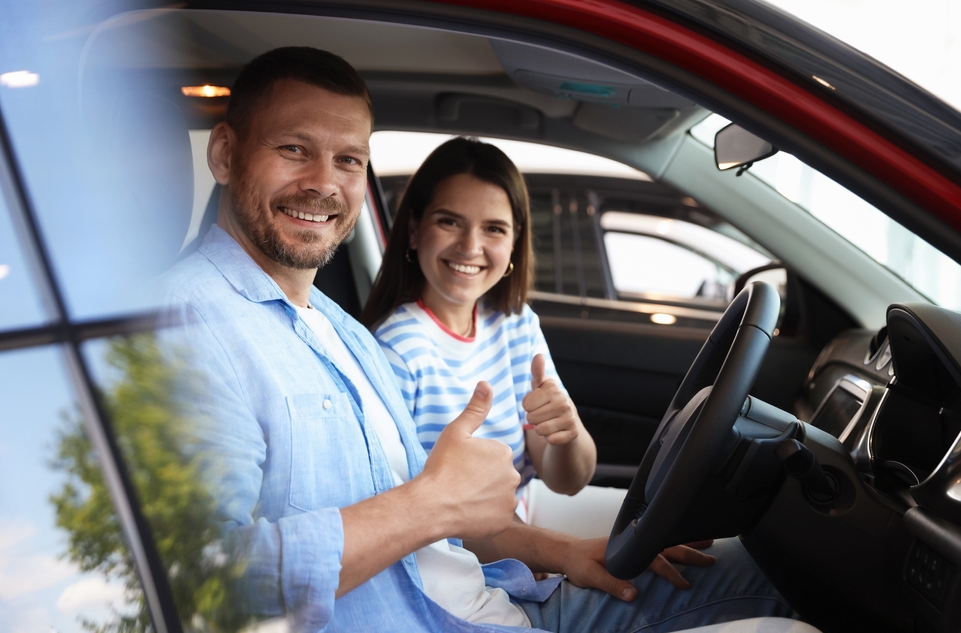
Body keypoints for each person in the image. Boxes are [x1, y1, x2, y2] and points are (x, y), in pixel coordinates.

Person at [161, 46, 794, 632]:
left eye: (349, 159)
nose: (325, 182)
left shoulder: (338, 331)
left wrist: (566, 552)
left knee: (775, 576)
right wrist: (430, 505)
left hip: (504, 599)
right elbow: (198, 587)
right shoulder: (183, 325)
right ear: (224, 155)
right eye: (294, 149)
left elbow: (446, 521)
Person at [360, 137, 599, 519]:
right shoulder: (395, 349)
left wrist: (566, 434)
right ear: (414, 230)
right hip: (458, 552)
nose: (471, 247)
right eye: (449, 222)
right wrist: (535, 548)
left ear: (514, 242)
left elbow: (567, 480)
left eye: (494, 229)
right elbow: (404, 515)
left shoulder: (516, 324)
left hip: (521, 514)